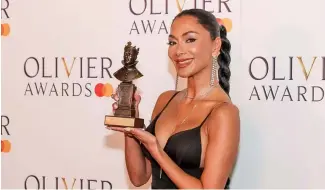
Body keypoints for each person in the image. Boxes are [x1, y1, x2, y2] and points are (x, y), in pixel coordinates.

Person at [107, 8, 240, 189]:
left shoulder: (224, 113)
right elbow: (139, 177)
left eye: (190, 40)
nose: (178, 51)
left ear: (215, 46)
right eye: (172, 42)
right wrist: (130, 123)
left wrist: (156, 150)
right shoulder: (166, 99)